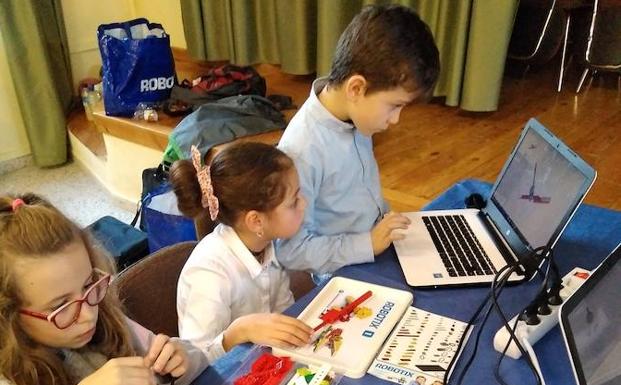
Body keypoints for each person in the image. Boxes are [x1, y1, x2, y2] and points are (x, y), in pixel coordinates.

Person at [277, 4, 441, 275]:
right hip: (341, 273)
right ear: (356, 88)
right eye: (394, 106)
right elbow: (291, 251)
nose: (396, 119)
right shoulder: (302, 150)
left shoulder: (354, 116)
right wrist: (366, 244)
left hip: (375, 244)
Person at [0, 194, 208, 385]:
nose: (89, 315)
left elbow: (190, 361)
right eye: (62, 306)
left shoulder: (109, 320)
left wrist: (184, 359)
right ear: (9, 315)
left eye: (89, 284)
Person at [169, 142, 312, 364]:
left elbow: (285, 311)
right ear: (256, 221)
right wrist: (239, 332)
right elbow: (193, 364)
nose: (304, 204)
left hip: (265, 362)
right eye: (293, 201)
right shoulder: (209, 274)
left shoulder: (268, 243)